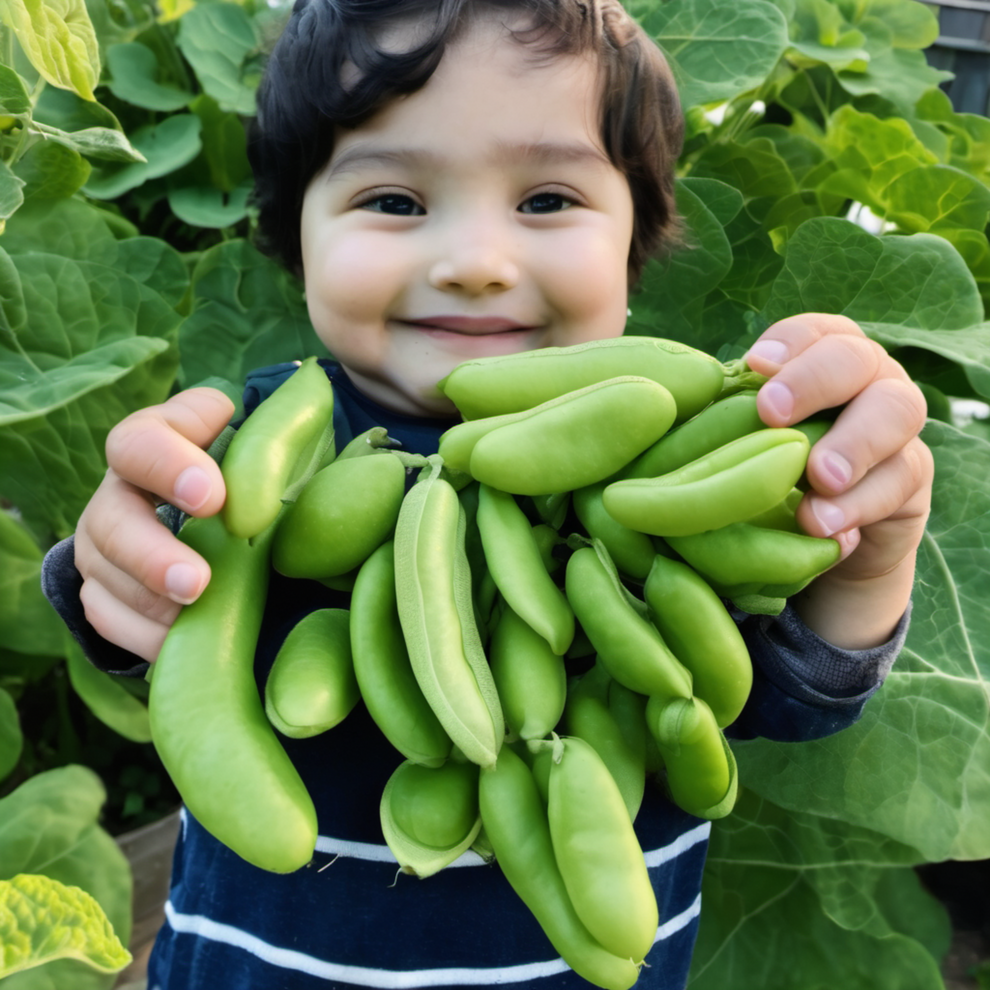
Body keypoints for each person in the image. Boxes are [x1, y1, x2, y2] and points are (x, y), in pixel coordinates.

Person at [41, 1, 933, 988]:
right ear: (296, 233)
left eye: (548, 200)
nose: (473, 263)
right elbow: (154, 621)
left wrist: (867, 559)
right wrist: (121, 567)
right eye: (393, 200)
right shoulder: (260, 449)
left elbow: (757, 702)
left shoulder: (688, 454)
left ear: (637, 241)